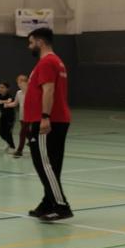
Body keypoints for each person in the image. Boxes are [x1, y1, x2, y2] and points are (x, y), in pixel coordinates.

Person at [24, 27, 73, 221]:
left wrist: (45, 117)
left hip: (47, 121)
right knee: (51, 165)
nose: (29, 47)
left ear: (40, 42)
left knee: (43, 164)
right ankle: (48, 202)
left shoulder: (47, 62)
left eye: (31, 42)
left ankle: (61, 206)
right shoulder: (56, 61)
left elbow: (49, 90)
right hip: (58, 119)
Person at [11, 74, 29, 158]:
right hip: (22, 116)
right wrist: (6, 104)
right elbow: (15, 103)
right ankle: (33, 142)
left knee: (22, 133)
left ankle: (19, 150)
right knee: (27, 133)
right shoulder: (18, 93)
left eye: (22, 81)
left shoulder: (31, 92)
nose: (19, 84)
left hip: (30, 116)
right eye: (18, 82)